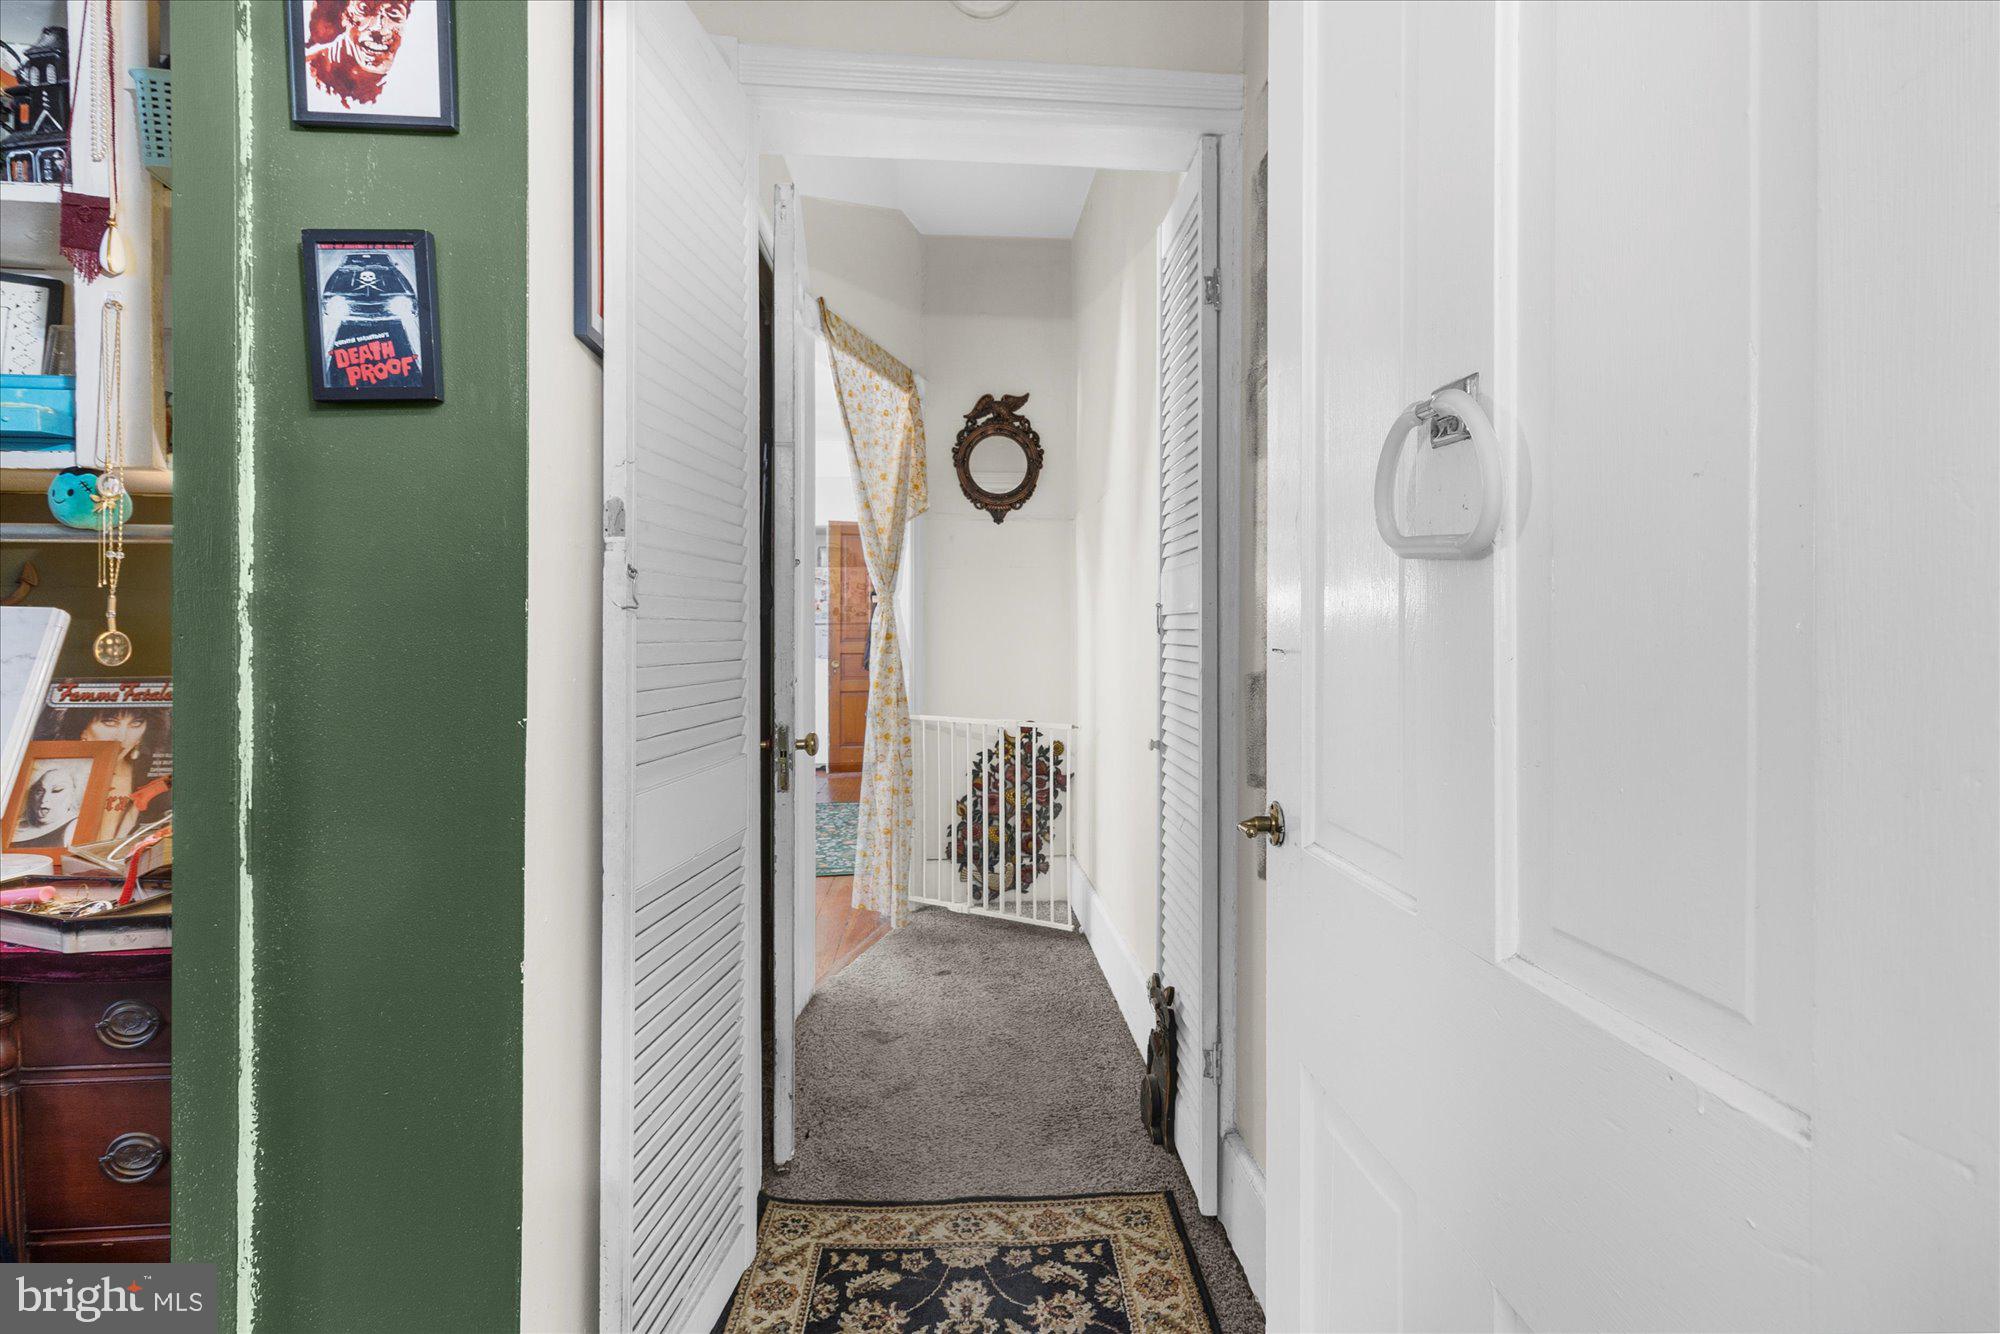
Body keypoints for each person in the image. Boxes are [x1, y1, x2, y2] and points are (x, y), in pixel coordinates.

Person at [306, 0, 412, 107]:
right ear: (343, 15)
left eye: (393, 14)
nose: (378, 28)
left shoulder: (412, 83)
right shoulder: (308, 73)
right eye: (363, 9)